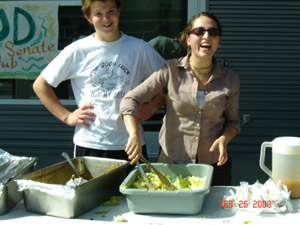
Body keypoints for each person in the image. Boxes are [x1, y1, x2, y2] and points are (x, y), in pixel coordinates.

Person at [33, 0, 165, 172]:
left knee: (132, 196)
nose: (106, 19)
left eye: (111, 11)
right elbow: (40, 85)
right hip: (90, 143)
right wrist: (66, 116)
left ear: (119, 11)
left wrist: (153, 107)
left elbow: (169, 80)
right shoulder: (77, 50)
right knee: (91, 197)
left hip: (131, 144)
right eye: (98, 14)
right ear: (88, 17)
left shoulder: (139, 48)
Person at [120, 12, 240, 185]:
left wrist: (224, 138)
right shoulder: (170, 71)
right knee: (170, 210)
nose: (206, 36)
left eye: (213, 32)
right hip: (171, 163)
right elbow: (130, 100)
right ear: (188, 39)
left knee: (217, 210)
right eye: (199, 31)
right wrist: (133, 133)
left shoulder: (230, 79)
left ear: (218, 41)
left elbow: (233, 122)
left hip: (215, 165)